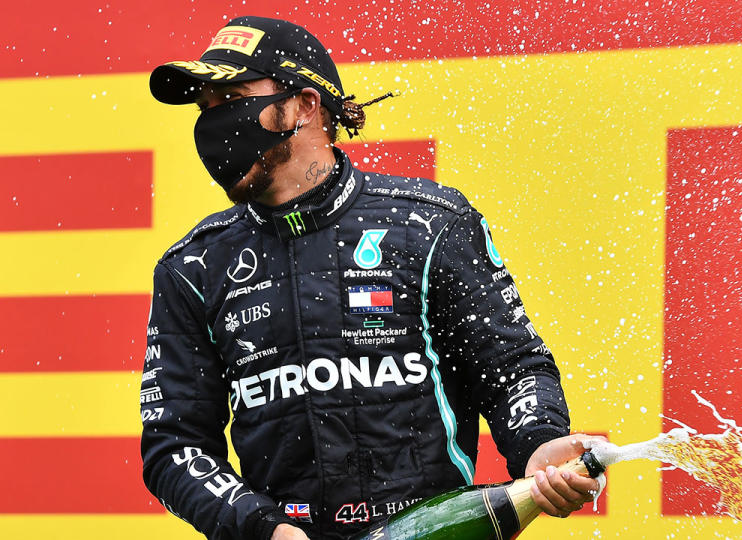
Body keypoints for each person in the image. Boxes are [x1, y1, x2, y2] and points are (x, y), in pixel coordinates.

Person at [140, 16, 601, 540]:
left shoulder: (429, 224)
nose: (215, 124)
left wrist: (539, 444)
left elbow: (511, 369)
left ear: (306, 105)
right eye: (207, 108)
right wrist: (262, 530)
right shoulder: (194, 266)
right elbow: (174, 448)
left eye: (233, 98)